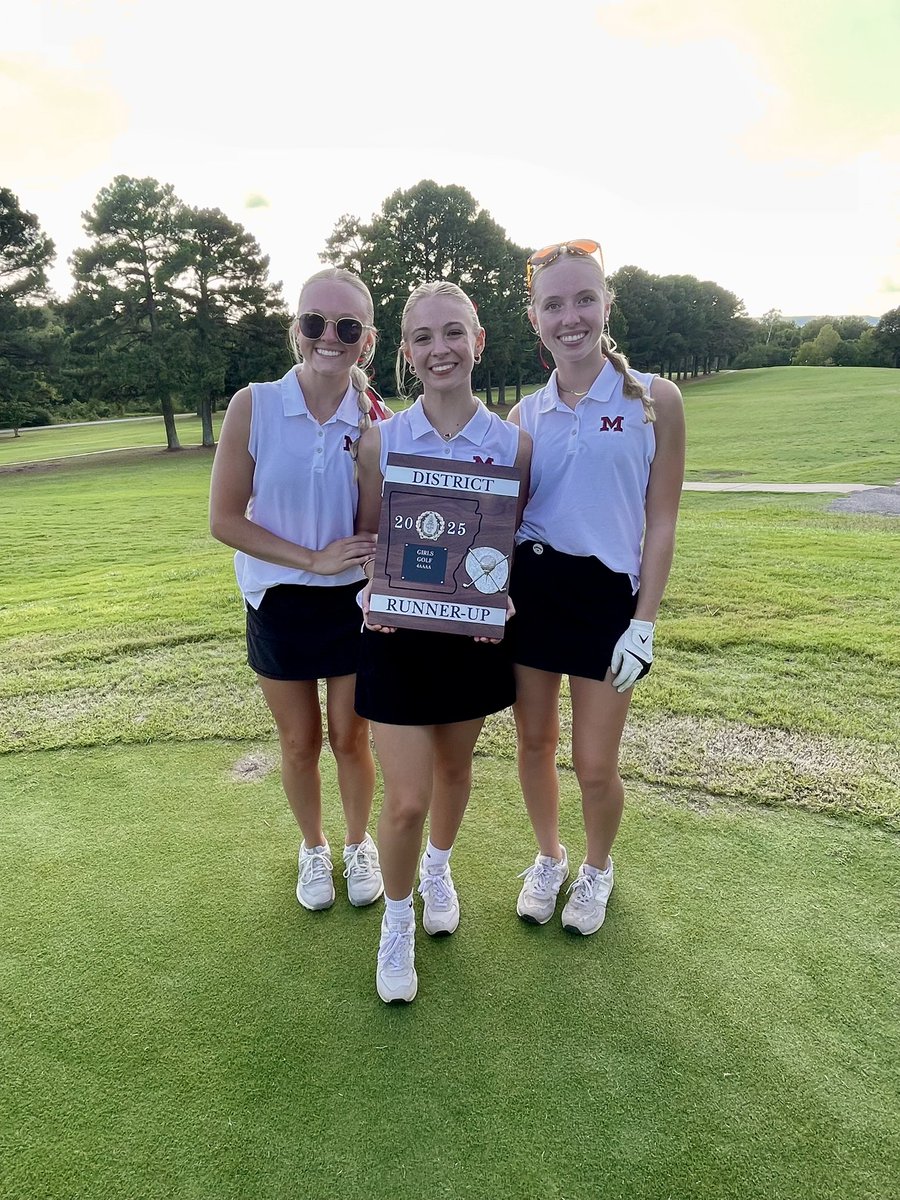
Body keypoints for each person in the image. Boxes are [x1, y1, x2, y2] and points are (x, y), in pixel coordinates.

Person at [354, 281, 532, 1003]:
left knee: (456, 775)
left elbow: (510, 542)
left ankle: (437, 867)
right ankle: (396, 922)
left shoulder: (515, 444)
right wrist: (377, 590)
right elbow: (374, 541)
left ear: (478, 341)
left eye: (452, 333)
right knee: (405, 799)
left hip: (471, 640)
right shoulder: (381, 440)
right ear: (405, 352)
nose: (440, 350)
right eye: (423, 338)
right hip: (396, 638)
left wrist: (503, 591)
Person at [507, 239, 685, 935]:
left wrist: (644, 622)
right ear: (534, 318)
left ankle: (596, 869)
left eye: (584, 298)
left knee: (594, 762)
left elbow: (661, 521)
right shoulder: (525, 416)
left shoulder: (656, 401)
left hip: (608, 601)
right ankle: (548, 857)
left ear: (608, 304)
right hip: (535, 592)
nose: (570, 316)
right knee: (533, 742)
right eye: (554, 304)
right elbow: (506, 520)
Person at [209, 267, 389, 914]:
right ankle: (313, 848)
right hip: (279, 599)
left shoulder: (374, 422)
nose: (329, 337)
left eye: (346, 327)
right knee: (299, 742)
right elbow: (225, 520)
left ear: (365, 341)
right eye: (315, 322)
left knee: (350, 738)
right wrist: (311, 559)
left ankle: (356, 843)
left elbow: (376, 526)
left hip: (351, 604)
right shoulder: (253, 404)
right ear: (297, 330)